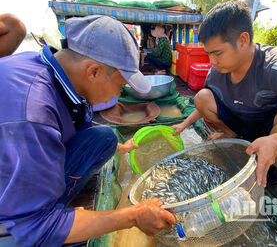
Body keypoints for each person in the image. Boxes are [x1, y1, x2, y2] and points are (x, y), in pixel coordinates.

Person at [0, 15, 176, 246]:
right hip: (12, 216)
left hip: (20, 161)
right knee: (52, 233)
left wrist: (121, 147)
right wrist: (133, 216)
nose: (118, 94)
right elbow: (35, 228)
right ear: (93, 72)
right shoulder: (34, 116)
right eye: (121, 85)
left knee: (105, 138)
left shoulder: (46, 67)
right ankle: (53, 216)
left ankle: (59, 213)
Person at [172, 0, 277, 188]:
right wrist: (185, 123)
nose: (212, 61)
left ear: (243, 40)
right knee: (202, 97)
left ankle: (260, 158)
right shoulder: (216, 70)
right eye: (208, 53)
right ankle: (233, 137)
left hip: (272, 129)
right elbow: (202, 105)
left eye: (217, 53)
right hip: (240, 124)